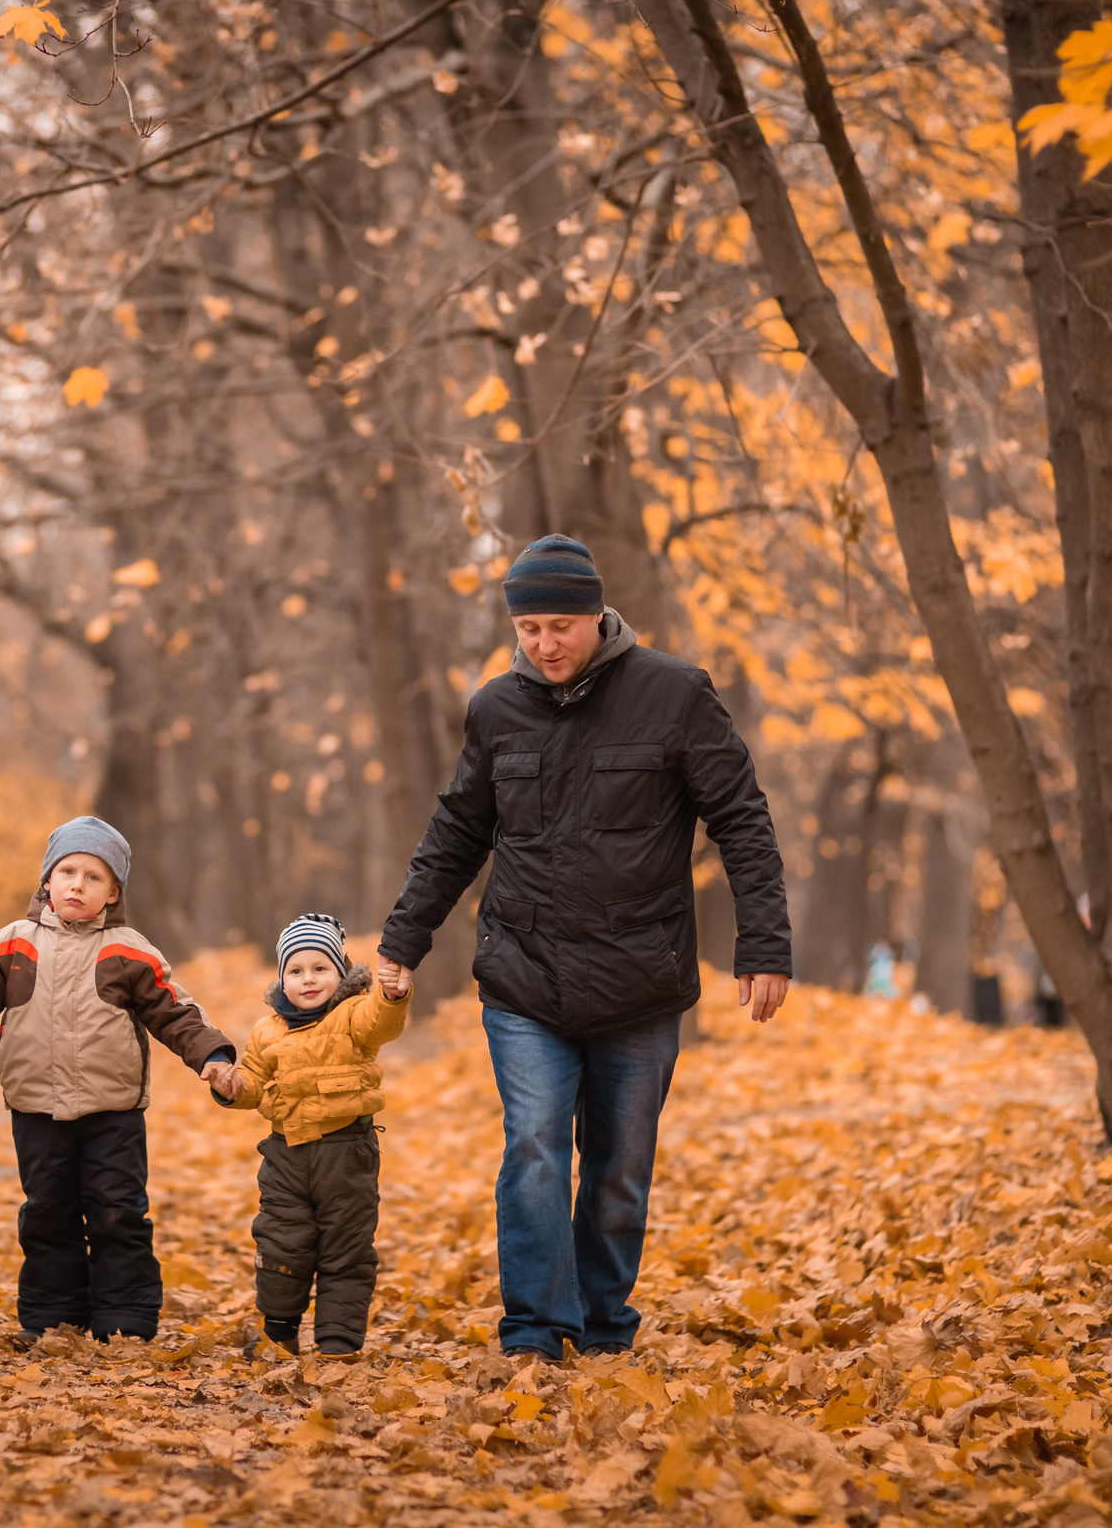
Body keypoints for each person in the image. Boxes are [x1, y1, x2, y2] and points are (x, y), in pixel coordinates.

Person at [380, 534, 792, 1362]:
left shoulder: (675, 694)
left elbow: (742, 818)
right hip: (524, 976)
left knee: (618, 1167)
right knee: (534, 1144)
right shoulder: (496, 708)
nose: (544, 644)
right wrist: (403, 938)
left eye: (559, 625)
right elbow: (457, 831)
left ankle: (603, 1326)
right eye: (528, 628)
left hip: (640, 980)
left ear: (598, 615)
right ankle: (537, 1329)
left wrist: (764, 943)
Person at [0, 817, 242, 1344]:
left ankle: (125, 1317)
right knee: (47, 1214)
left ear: (114, 892)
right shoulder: (13, 945)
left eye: (93, 877)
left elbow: (174, 1012)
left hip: (113, 1113)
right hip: (36, 1110)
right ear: (47, 880)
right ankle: (53, 1317)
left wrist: (212, 1057)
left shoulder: (129, 950)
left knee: (117, 1212)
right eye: (67, 872)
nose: (77, 885)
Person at [219, 912, 412, 1356]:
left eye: (320, 968)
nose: (308, 979)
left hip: (346, 1155)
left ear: (340, 973)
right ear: (282, 979)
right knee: (280, 1243)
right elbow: (253, 1081)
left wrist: (391, 995)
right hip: (285, 1158)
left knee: (347, 1246)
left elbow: (382, 1021)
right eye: (296, 971)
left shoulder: (353, 1015)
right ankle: (279, 1330)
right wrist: (232, 1087)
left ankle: (338, 1339)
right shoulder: (267, 1030)